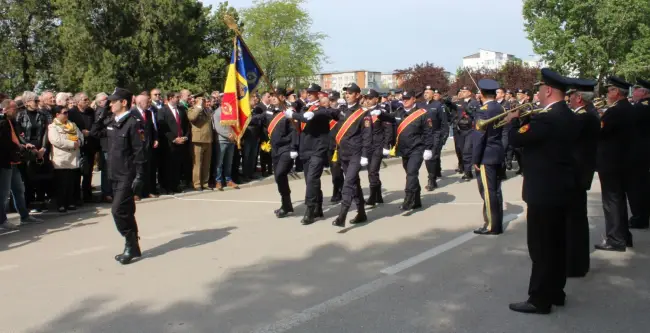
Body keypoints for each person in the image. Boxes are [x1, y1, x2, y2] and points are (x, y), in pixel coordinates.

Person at [503, 68, 577, 314]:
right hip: (561, 189)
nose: (536, 94)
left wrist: (513, 120)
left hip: (544, 191)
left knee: (541, 247)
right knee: (557, 244)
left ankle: (539, 299)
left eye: (538, 89)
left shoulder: (546, 119)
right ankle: (556, 291)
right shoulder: (568, 115)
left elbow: (516, 139)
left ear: (548, 90)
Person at [285, 83, 340, 225]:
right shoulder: (305, 108)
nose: (308, 94)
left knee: (312, 179)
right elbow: (300, 126)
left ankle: (309, 210)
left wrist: (294, 114)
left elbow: (308, 117)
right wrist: (292, 117)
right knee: (311, 181)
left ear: (318, 94)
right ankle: (318, 207)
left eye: (312, 92)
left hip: (318, 149)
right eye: (307, 92)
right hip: (306, 148)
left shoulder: (322, 109)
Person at [106, 88, 145, 265]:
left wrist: (140, 176)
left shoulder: (133, 123)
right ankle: (134, 246)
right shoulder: (112, 122)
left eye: (114, 101)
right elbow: (94, 132)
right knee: (127, 211)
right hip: (114, 173)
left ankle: (130, 244)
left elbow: (139, 152)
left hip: (127, 175)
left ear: (124, 102)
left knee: (118, 211)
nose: (110, 104)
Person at [565, 78, 600, 277]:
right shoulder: (589, 115)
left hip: (576, 175)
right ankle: (578, 263)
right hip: (581, 173)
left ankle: (574, 264)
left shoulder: (583, 118)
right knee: (577, 220)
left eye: (571, 96)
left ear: (579, 98)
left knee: (574, 222)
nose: (568, 99)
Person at [596, 76, 635, 252]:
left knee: (611, 202)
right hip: (623, 161)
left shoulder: (615, 111)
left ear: (617, 92)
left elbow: (601, 133)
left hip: (611, 162)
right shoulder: (629, 108)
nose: (608, 93)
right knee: (619, 200)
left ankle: (615, 239)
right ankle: (624, 236)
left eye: (610, 90)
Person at [379, 90, 434, 210]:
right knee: (411, 175)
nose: (404, 100)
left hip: (417, 149)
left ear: (414, 99)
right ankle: (417, 200)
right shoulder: (400, 111)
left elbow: (429, 132)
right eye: (403, 98)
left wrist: (428, 149)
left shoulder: (422, 113)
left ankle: (408, 199)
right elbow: (390, 117)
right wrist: (380, 114)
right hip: (404, 150)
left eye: (407, 98)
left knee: (411, 173)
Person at [331, 83, 372, 227]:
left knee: (348, 183)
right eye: (346, 93)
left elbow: (367, 135)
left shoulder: (363, 113)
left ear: (357, 95)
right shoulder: (341, 110)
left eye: (350, 92)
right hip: (343, 153)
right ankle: (361, 212)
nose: (347, 95)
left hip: (356, 153)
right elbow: (328, 114)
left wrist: (365, 155)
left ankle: (342, 215)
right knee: (355, 184)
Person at [0, 99, 44, 229]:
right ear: (6, 109)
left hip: (14, 162)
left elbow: (16, 138)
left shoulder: (11, 122)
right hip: (5, 162)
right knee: (4, 193)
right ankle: (2, 221)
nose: (17, 111)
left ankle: (24, 216)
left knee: (19, 189)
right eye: (14, 109)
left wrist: (23, 145)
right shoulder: (2, 123)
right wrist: (19, 147)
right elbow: (5, 143)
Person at [471, 79, 505, 235]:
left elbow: (480, 137)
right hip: (497, 152)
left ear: (482, 94)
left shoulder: (483, 110)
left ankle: (491, 225)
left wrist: (475, 159)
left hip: (486, 155)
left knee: (488, 191)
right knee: (496, 191)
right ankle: (497, 223)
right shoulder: (499, 107)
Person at [48, 106, 84, 213]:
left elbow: (80, 136)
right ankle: (61, 204)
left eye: (67, 112)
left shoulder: (72, 125)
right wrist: (73, 143)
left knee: (71, 182)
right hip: (61, 159)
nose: (66, 114)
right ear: (57, 114)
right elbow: (56, 140)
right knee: (61, 183)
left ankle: (70, 202)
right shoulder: (53, 127)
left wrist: (79, 142)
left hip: (73, 158)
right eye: (64, 112)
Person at [628, 78, 650, 229]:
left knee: (637, 187)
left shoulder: (641, 107)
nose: (634, 92)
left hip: (639, 152)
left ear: (643, 92)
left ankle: (639, 217)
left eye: (636, 89)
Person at [364, 89, 392, 205]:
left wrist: (386, 145)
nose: (368, 100)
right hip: (367, 146)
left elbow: (388, 129)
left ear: (376, 99)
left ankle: (372, 196)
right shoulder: (364, 112)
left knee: (373, 172)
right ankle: (378, 195)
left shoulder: (381, 112)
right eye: (367, 98)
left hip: (378, 146)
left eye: (370, 98)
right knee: (371, 171)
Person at [416, 86, 444, 191]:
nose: (426, 94)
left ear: (433, 94)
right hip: (422, 135)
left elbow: (443, 122)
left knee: (430, 158)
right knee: (426, 158)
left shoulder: (438, 105)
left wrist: (442, 137)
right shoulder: (420, 105)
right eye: (425, 92)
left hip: (434, 134)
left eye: (428, 92)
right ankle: (433, 176)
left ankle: (431, 180)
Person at [187, 93, 213, 191]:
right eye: (202, 100)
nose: (204, 102)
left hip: (208, 139)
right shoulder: (192, 109)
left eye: (204, 100)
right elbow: (192, 118)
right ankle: (197, 184)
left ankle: (205, 183)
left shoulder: (207, 110)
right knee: (197, 163)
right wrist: (198, 106)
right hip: (197, 139)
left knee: (207, 163)